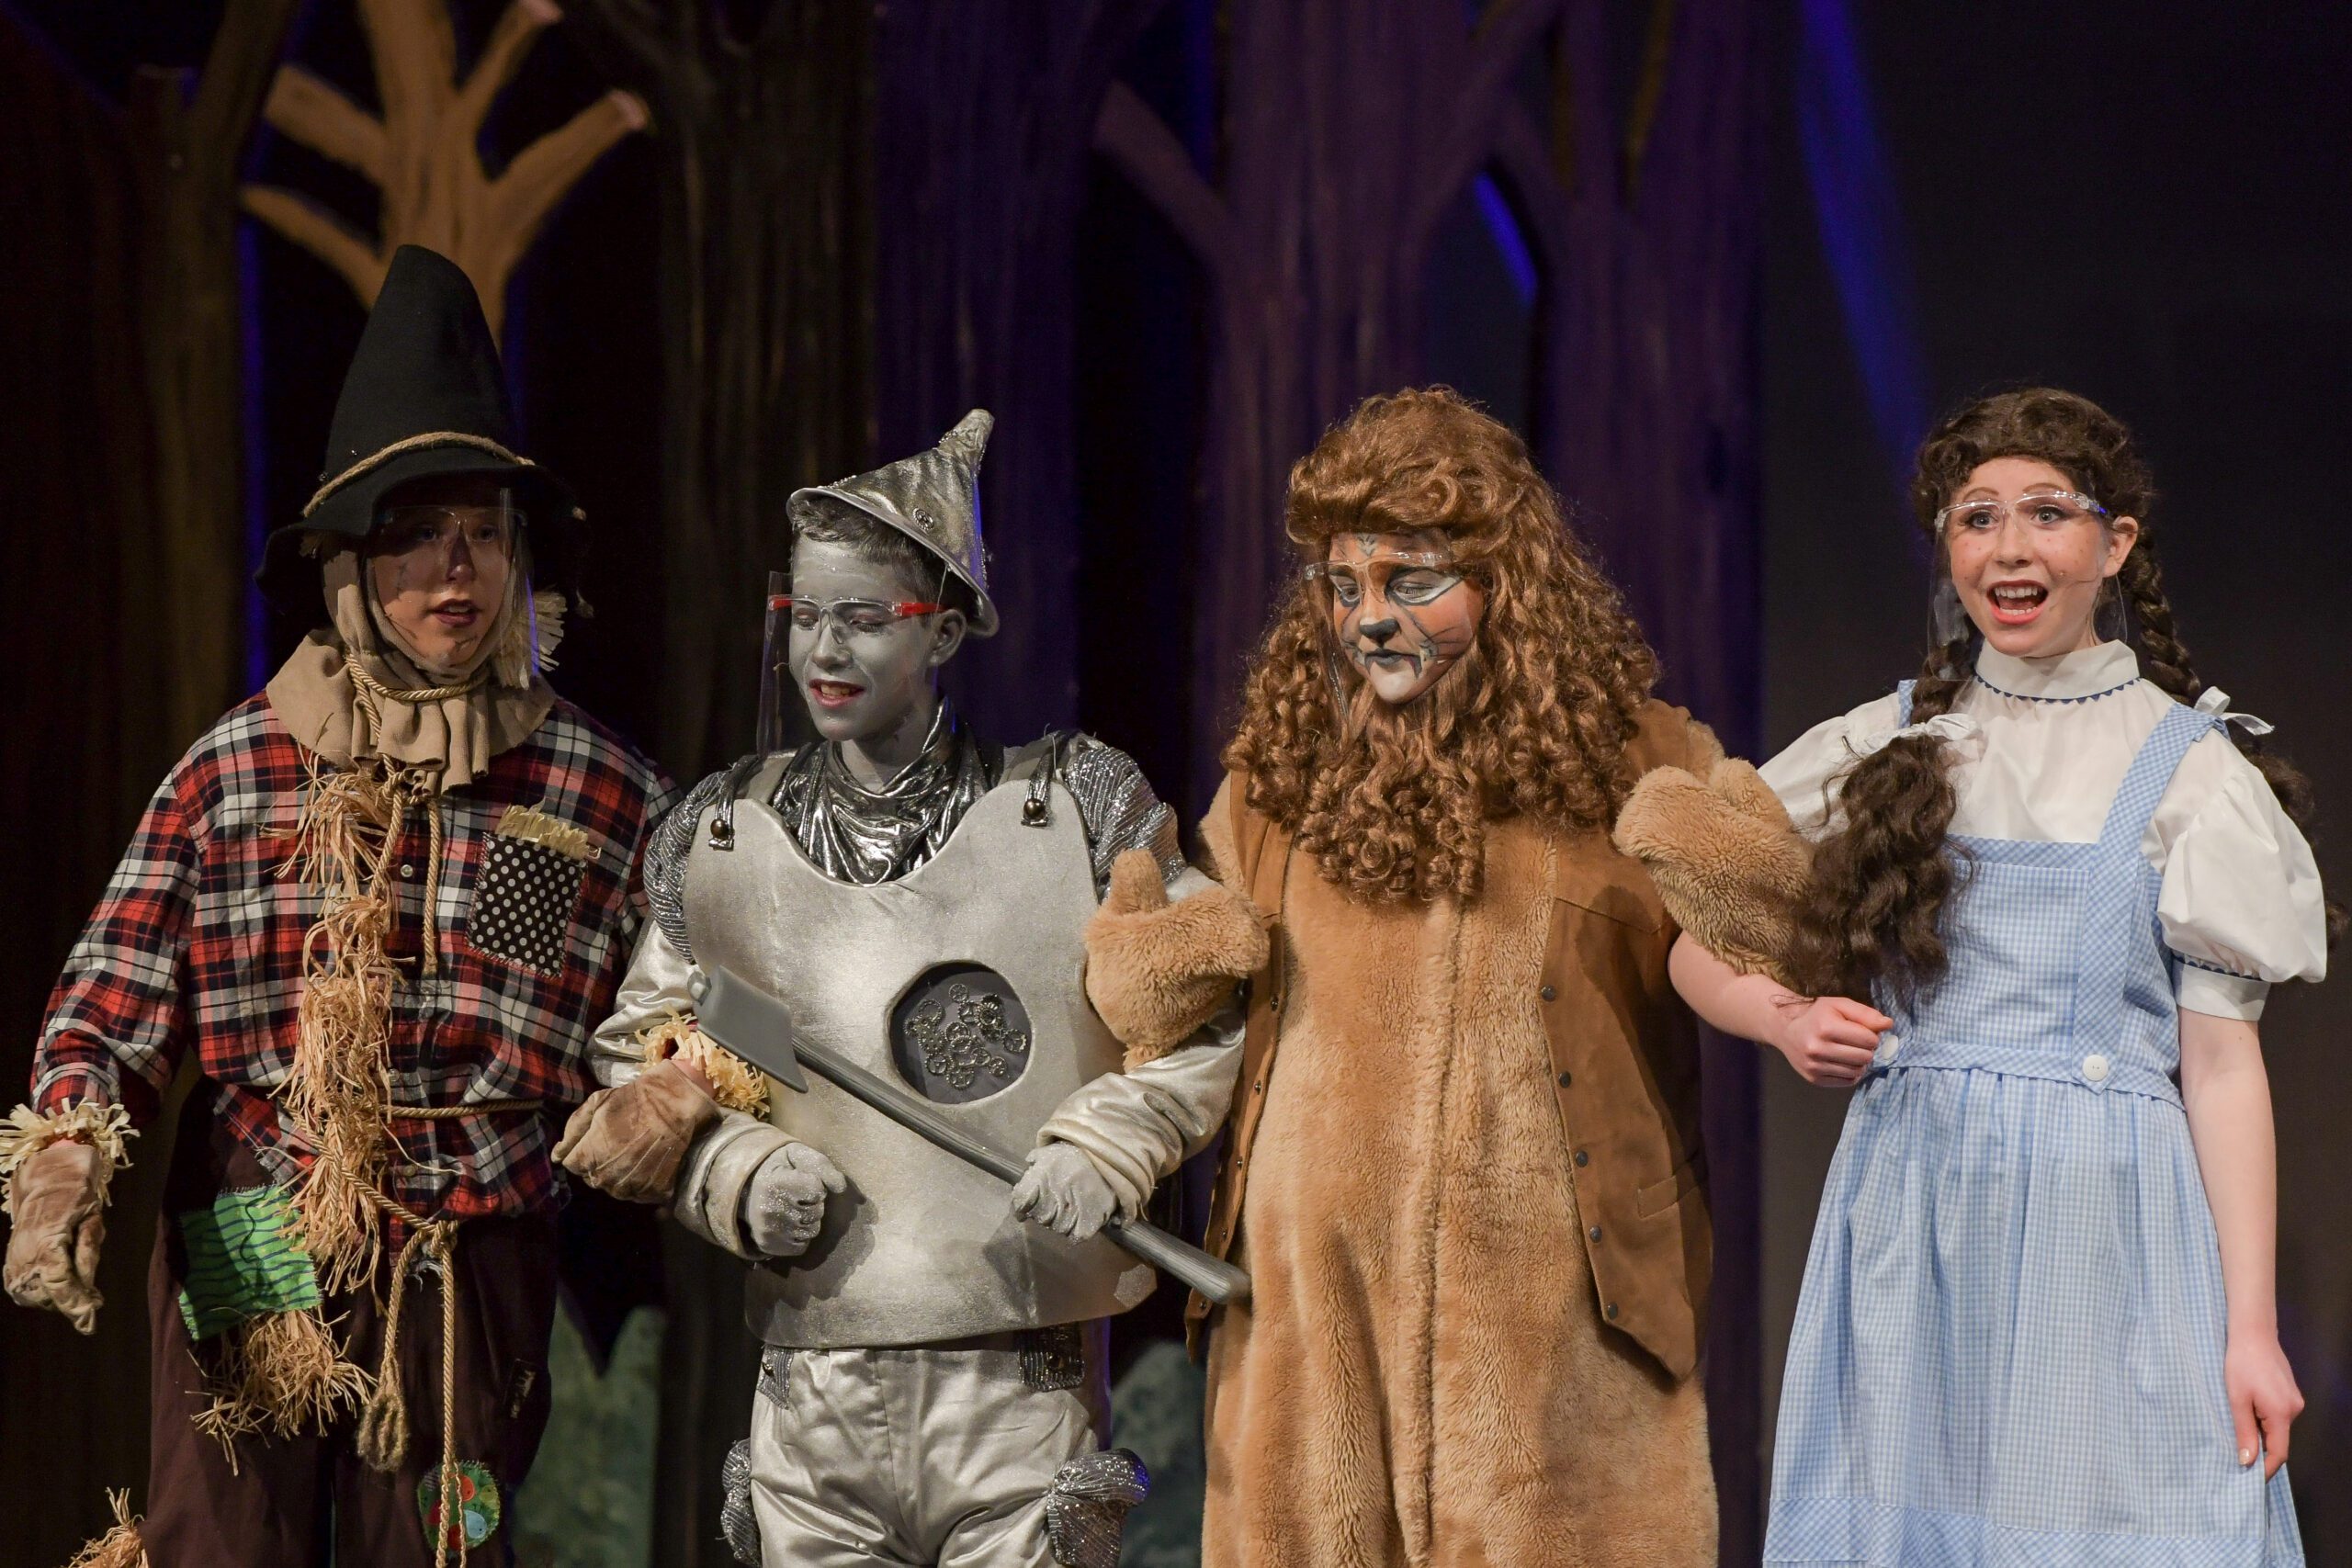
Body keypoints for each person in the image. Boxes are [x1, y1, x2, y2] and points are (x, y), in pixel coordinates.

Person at [0, 245, 676, 1566]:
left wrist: (674, 1085)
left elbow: (691, 994)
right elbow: (112, 993)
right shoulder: (242, 770)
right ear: (349, 563)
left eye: (484, 530)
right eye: (415, 534)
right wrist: (66, 1154)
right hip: (261, 1204)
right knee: (225, 1537)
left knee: (435, 1546)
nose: (455, 569)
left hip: (467, 1249)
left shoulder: (600, 790)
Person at [556, 410, 1265, 1568]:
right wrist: (734, 1173)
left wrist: (1109, 1143)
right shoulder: (722, 834)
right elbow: (650, 1055)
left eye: (864, 619)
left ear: (940, 631)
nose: (825, 651)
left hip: (1017, 1377)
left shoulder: (1074, 808)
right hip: (813, 1389)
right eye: (806, 616)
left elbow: (1200, 1010)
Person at [1643, 387, 2321, 1564]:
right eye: (1976, 517)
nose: (2008, 547)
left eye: (2046, 513)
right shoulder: (1887, 742)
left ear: (2114, 545)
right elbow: (1690, 935)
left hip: (2107, 1225)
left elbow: (2220, 1066)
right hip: (1914, 1210)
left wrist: (2250, 1329)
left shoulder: (2188, 769)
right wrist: (1782, 1019)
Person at [1088, 388, 1724, 1566]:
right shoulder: (1277, 783)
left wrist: (1743, 873)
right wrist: (1159, 952)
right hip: (1312, 1313)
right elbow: (1167, 1019)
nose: (1369, 619)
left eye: (1411, 581)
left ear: (1506, 581)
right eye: (1343, 587)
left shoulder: (1633, 757)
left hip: (1557, 1319)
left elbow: (1752, 943)